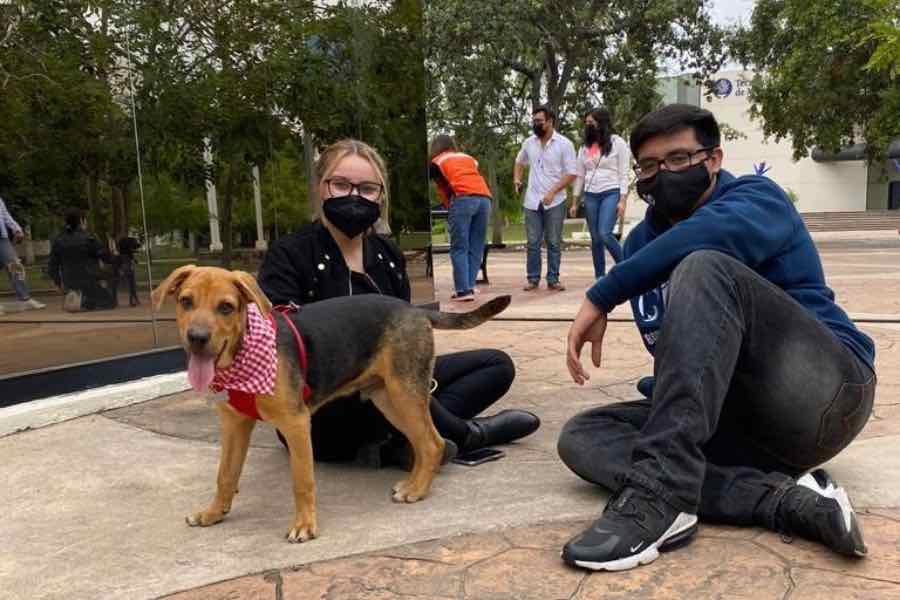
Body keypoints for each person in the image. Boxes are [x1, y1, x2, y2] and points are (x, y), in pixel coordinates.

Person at [557, 104, 876, 571]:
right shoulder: (642, 246)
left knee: (705, 264)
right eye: (649, 165)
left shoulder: (758, 200)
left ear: (713, 159)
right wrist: (669, 394)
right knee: (583, 436)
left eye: (679, 159)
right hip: (741, 424)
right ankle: (782, 502)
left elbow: (708, 238)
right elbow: (691, 352)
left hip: (826, 394)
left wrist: (604, 293)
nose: (662, 174)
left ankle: (659, 496)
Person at [258, 139, 540, 465]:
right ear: (321, 187)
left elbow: (404, 336)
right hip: (323, 406)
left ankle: (401, 441)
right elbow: (276, 346)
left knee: (495, 365)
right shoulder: (290, 254)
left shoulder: (387, 253)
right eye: (340, 184)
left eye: (366, 188)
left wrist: (412, 374)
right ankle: (467, 435)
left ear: (380, 195)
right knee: (385, 384)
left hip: (389, 378)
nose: (353, 196)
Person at [514, 105, 577, 291]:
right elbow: (519, 161)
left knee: (553, 241)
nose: (536, 124)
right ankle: (533, 279)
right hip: (532, 200)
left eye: (539, 121)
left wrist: (553, 191)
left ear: (550, 122)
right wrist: (517, 179)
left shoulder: (565, 144)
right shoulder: (529, 142)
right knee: (532, 242)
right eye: (534, 121)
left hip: (555, 201)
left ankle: (553, 278)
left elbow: (571, 173)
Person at [428, 135, 492, 302]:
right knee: (475, 246)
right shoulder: (469, 158)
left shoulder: (437, 161)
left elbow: (442, 189)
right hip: (485, 199)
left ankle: (463, 291)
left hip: (463, 198)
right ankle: (469, 286)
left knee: (459, 247)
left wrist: (450, 207)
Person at [572, 107, 629, 279]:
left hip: (611, 192)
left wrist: (622, 200)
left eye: (592, 123)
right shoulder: (585, 148)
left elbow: (623, 172)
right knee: (596, 239)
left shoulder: (617, 142)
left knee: (605, 233)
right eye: (587, 123)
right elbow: (580, 175)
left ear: (601, 123)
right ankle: (599, 276)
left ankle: (627, 266)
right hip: (590, 195)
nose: (588, 126)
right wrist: (574, 201)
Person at [47, 210, 117, 311]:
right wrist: (115, 256)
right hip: (88, 279)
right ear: (81, 221)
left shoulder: (58, 240)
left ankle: (79, 298)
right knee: (109, 302)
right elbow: (106, 257)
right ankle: (87, 301)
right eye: (85, 221)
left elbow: (52, 265)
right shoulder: (89, 238)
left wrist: (58, 283)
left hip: (69, 281)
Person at [0, 195, 46, 315]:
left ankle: (25, 299)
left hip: (2, 239)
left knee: (16, 266)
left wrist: (17, 229)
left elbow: (5, 216)